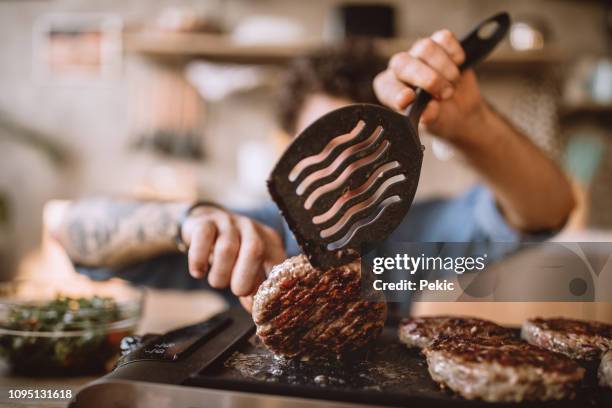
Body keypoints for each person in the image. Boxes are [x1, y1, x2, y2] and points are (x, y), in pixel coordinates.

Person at [51, 31, 575, 311]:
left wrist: (474, 125)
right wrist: (187, 220)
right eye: (323, 147)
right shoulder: (254, 233)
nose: (345, 173)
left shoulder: (414, 239)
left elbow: (548, 209)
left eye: (365, 149)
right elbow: (70, 229)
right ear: (286, 149)